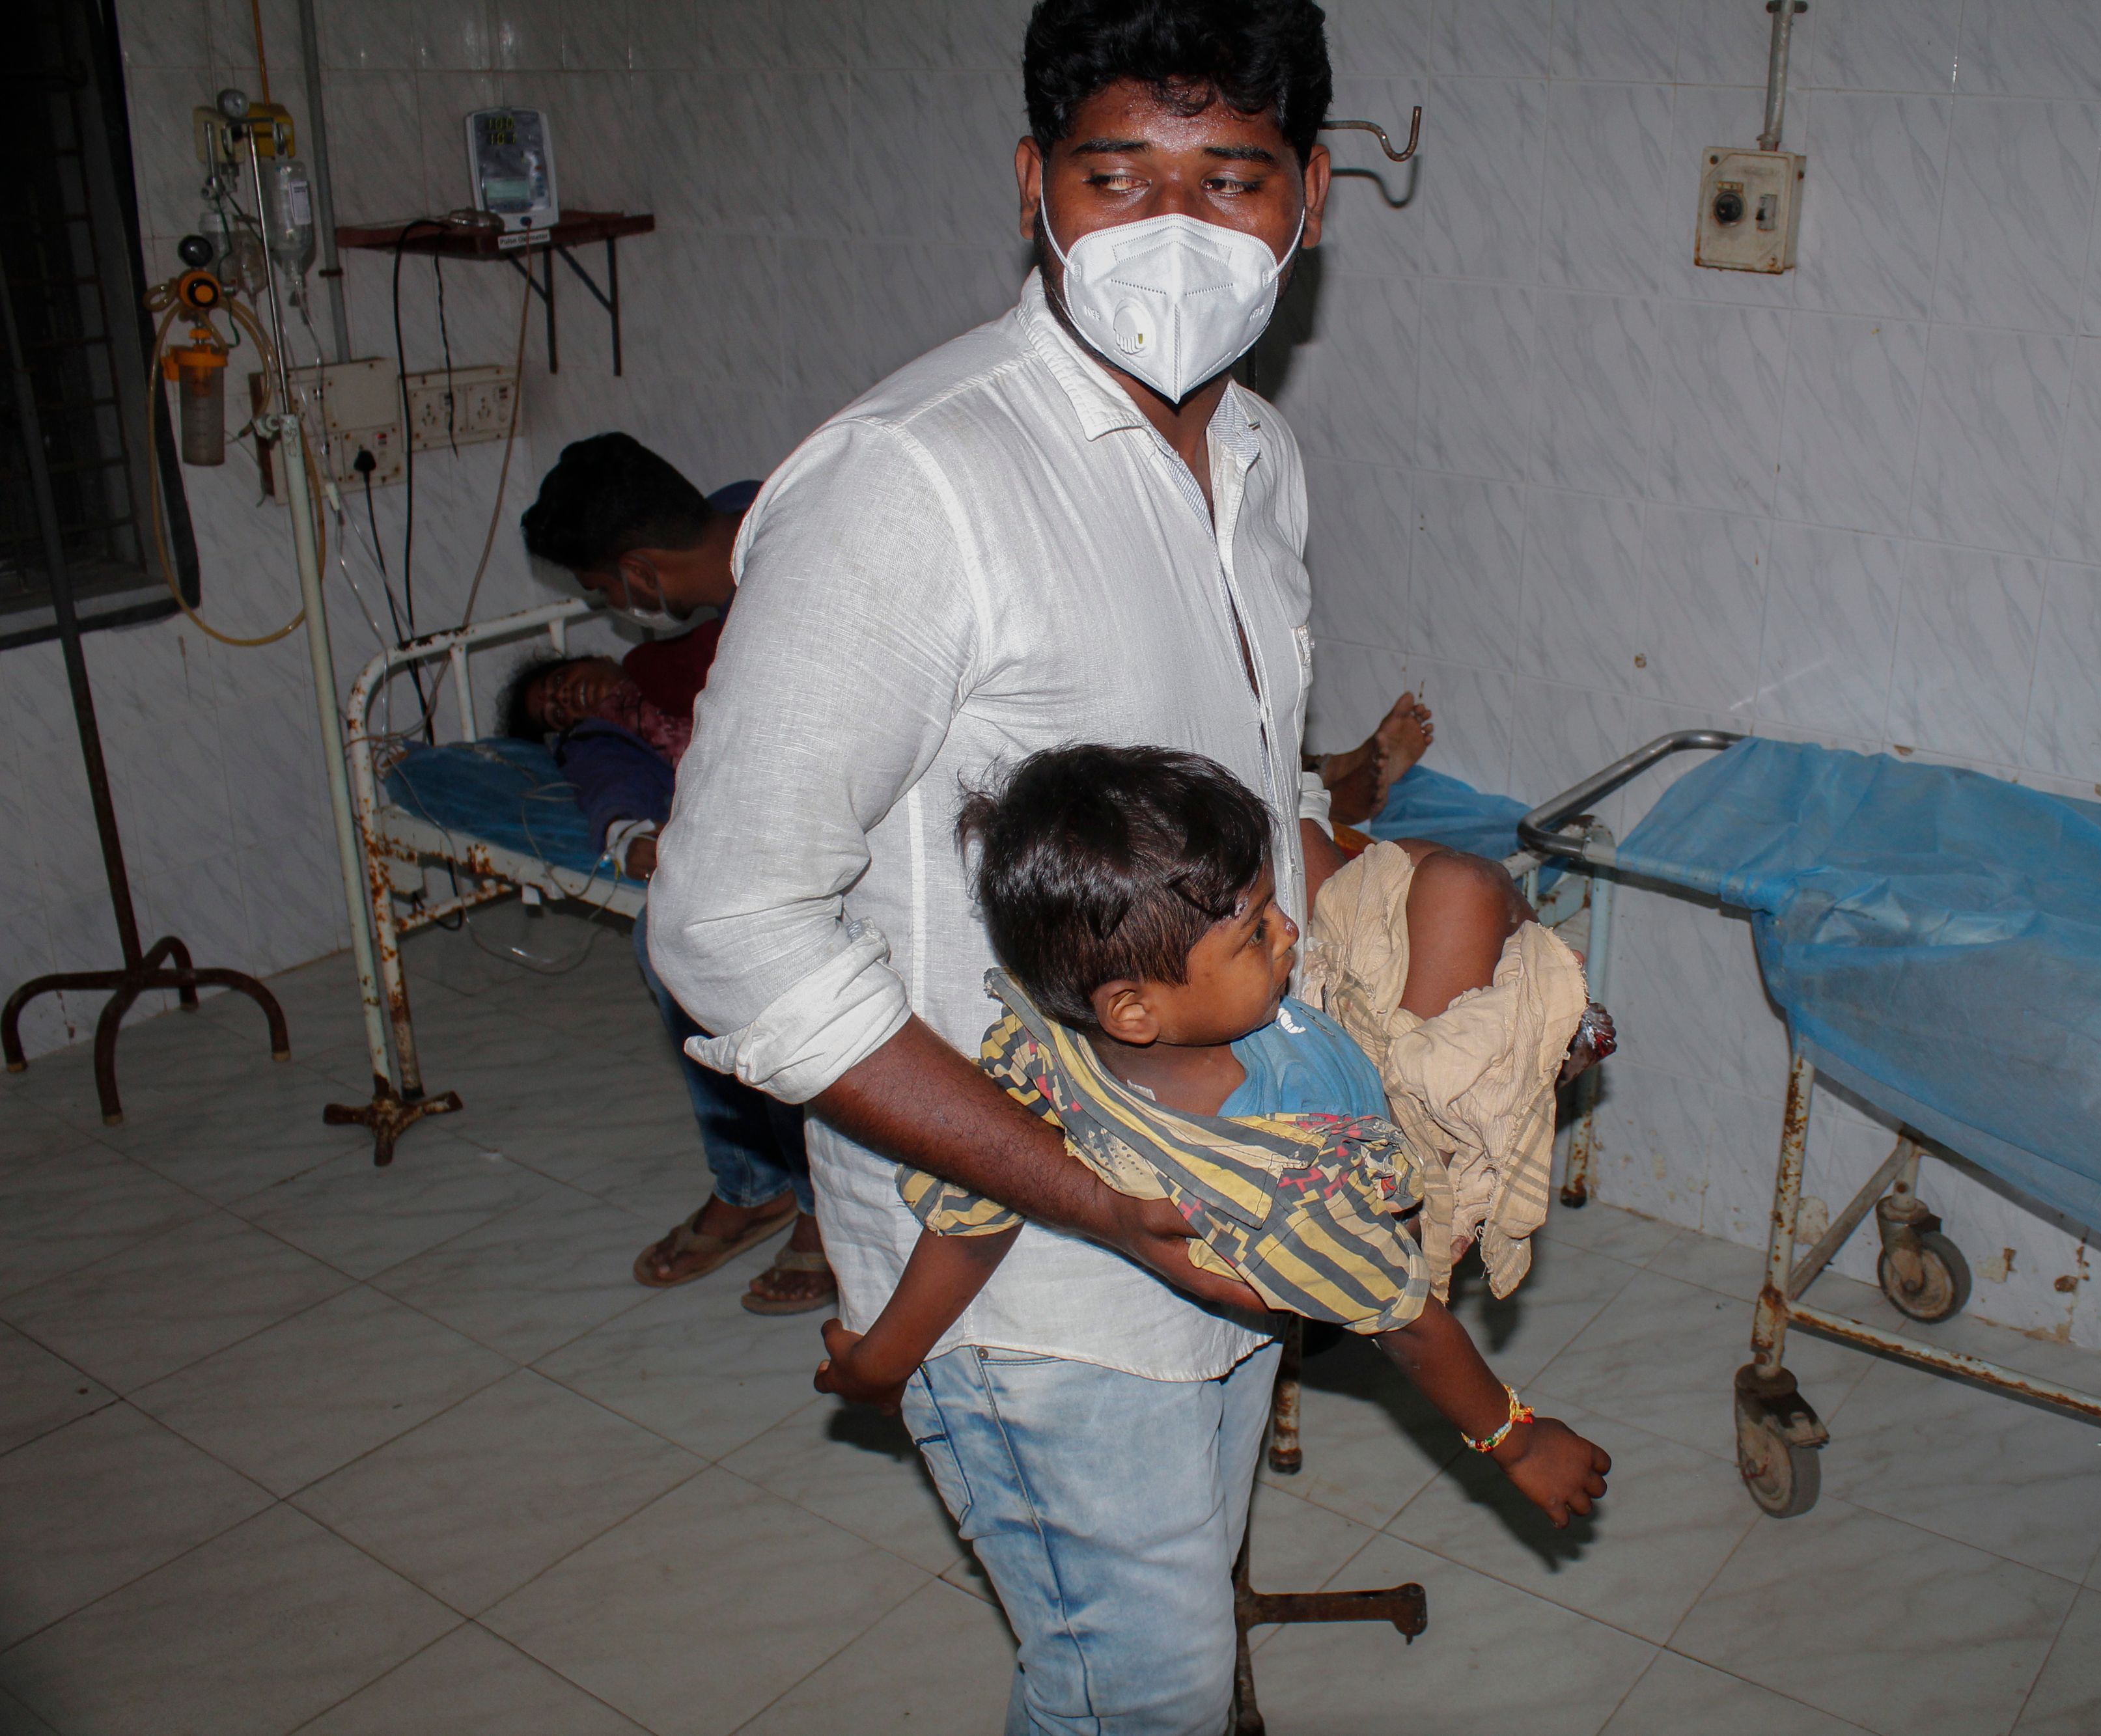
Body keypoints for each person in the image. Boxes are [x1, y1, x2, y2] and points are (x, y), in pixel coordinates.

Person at [643, 3, 1443, 1725]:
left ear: (1309, 198)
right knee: (1131, 1685)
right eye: (1117, 174)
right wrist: (1080, 1192)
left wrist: (1436, 1009)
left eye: (1230, 177)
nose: (1176, 228)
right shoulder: (911, 485)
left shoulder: (1257, 460)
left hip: (1231, 1208)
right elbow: (730, 926)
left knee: (1175, 1643)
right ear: (1034, 187)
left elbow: (1235, 820)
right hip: (1033, 1261)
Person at [817, 745, 1611, 1528]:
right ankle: (1568, 1036)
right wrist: (1515, 1441)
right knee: (1470, 889)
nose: (1289, 930)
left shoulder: (1042, 1044)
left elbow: (972, 1209)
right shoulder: (1279, 1187)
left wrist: (881, 1360)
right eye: (1256, 934)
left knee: (1441, 875)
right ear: (1134, 1009)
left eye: (1270, 910)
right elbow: (1407, 1324)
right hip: (1379, 1157)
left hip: (1315, 1041)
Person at [516, 437, 835, 1314]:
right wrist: (634, 832)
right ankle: (755, 1178)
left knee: (730, 954)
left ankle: (820, 1201)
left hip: (874, 820)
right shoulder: (738, 547)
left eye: (602, 593)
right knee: (670, 941)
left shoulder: (796, 579)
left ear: (638, 573)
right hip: (781, 824)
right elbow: (618, 756)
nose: (612, 612)